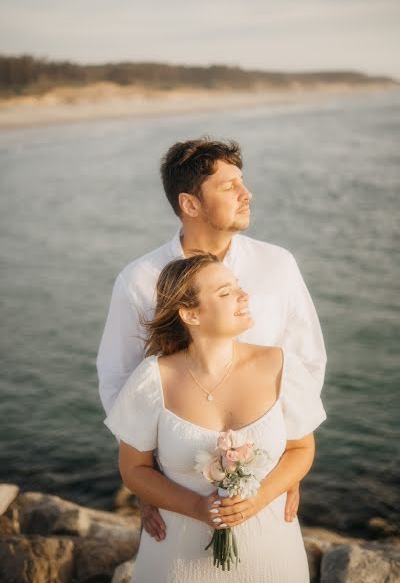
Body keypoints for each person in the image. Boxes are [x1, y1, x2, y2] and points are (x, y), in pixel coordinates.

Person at [97, 136, 327, 542]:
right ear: (190, 204)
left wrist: (288, 458)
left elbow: (306, 360)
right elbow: (119, 378)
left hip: (267, 480)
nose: (246, 193)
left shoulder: (278, 265)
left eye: (242, 181)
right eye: (228, 186)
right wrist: (146, 478)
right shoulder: (140, 280)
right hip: (177, 487)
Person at [103, 253, 327, 582]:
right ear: (190, 313)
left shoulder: (280, 366)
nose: (243, 295)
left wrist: (259, 498)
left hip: (272, 555)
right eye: (225, 292)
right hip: (177, 558)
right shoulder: (153, 379)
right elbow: (133, 469)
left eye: (238, 286)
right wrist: (196, 508)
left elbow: (301, 449)